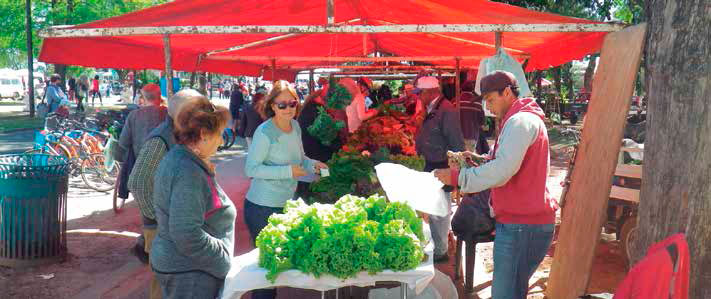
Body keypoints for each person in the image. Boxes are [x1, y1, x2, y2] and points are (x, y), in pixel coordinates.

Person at [434, 71, 557, 299]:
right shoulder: (518, 120)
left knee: (505, 294)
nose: (488, 108)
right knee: (513, 291)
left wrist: (457, 178)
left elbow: (502, 170)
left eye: (491, 99)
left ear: (507, 92)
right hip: (522, 223)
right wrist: (477, 159)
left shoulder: (521, 122)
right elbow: (504, 162)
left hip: (522, 225)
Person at [244, 80, 328, 299]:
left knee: (278, 267)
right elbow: (251, 169)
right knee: (267, 273)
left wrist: (314, 165)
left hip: (285, 204)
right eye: (282, 105)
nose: (288, 108)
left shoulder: (296, 126)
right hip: (261, 208)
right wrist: (288, 172)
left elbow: (300, 159)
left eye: (292, 103)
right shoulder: (264, 132)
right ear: (272, 106)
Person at [151, 96, 235, 299]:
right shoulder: (187, 170)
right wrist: (222, 260)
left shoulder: (184, 159)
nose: (222, 141)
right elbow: (186, 234)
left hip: (187, 268)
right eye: (220, 134)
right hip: (190, 273)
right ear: (204, 134)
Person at [128, 89, 200, 299]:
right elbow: (138, 183)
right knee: (165, 284)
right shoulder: (160, 139)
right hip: (162, 229)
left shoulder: (179, 135)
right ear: (184, 114)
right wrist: (162, 219)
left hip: (176, 226)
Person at [413, 76, 465, 263]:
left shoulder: (446, 110)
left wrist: (455, 174)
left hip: (441, 165)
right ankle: (437, 245)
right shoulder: (434, 108)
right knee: (435, 208)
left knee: (441, 209)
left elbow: (456, 143)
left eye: (419, 93)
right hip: (432, 164)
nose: (418, 97)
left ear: (429, 92)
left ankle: (441, 250)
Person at [459, 80, 485, 153]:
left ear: (461, 89)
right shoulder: (478, 103)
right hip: (472, 136)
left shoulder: (455, 101)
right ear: (472, 90)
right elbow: (482, 124)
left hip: (457, 137)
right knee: (469, 160)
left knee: (457, 160)